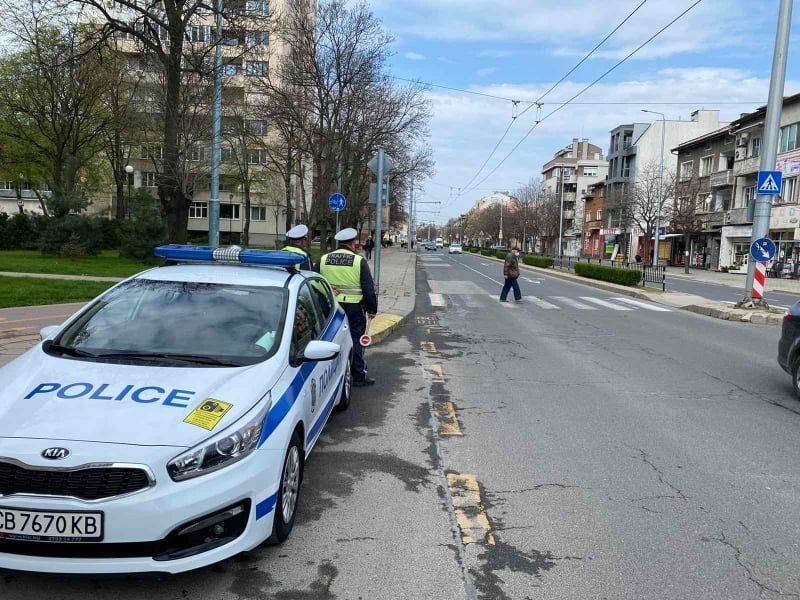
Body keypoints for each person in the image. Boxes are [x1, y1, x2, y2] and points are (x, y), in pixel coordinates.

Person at [318, 227, 378, 387]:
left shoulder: (324, 259)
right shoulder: (359, 261)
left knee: (329, 340)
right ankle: (358, 374)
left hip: (331, 307)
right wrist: (372, 309)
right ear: (352, 244)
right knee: (356, 339)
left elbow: (316, 282)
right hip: (354, 307)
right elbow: (368, 288)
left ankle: (330, 375)